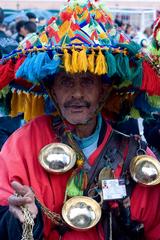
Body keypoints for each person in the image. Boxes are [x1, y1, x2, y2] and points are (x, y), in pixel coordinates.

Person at [0, 1, 160, 240]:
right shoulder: (22, 144)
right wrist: (23, 220)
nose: (76, 94)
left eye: (86, 81)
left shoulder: (135, 154)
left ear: (104, 90)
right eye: (65, 81)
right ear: (51, 89)